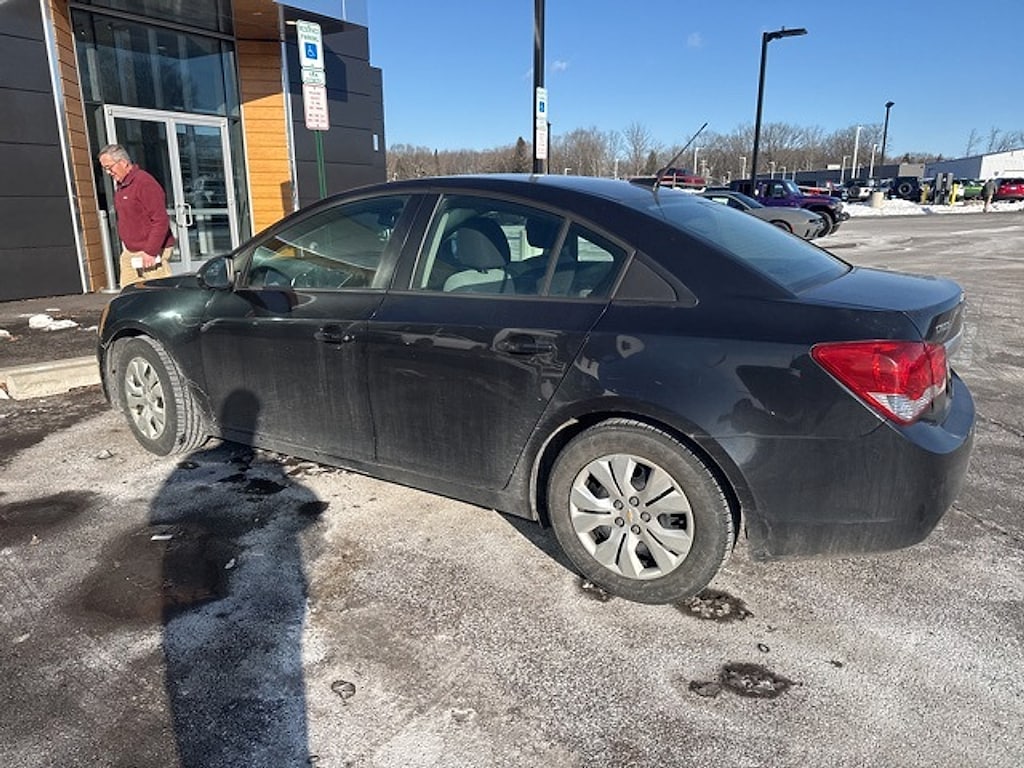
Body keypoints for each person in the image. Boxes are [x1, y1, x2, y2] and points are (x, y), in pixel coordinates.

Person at [97, 143, 174, 287]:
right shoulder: (123, 186)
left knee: (156, 295)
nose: (108, 172)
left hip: (150, 250)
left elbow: (160, 220)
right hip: (131, 251)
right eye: (105, 169)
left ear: (123, 163)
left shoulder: (144, 183)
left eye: (109, 167)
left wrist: (151, 251)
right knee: (127, 294)